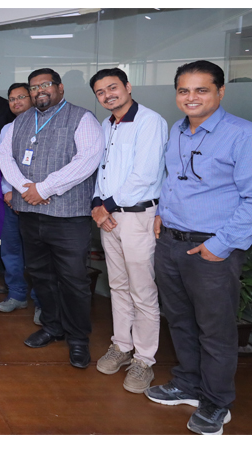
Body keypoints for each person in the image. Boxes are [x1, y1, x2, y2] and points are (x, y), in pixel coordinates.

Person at [146, 60, 252, 435]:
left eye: (201, 90)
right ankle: (188, 384)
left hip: (212, 249)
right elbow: (174, 180)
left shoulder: (242, 134)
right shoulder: (178, 130)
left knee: (215, 330)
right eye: (184, 90)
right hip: (170, 242)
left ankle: (216, 402)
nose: (191, 97)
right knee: (179, 320)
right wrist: (162, 213)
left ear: (220, 92)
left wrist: (221, 245)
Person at [0, 68, 104, 369]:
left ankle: (78, 339)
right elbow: (5, 157)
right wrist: (25, 188)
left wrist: (44, 188)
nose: (39, 91)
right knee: (40, 274)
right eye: (34, 87)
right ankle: (52, 326)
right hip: (31, 214)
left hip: (68, 217)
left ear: (59, 87)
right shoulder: (20, 121)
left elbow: (87, 160)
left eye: (45, 85)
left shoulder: (82, 118)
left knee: (73, 279)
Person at [88, 68, 168, 394]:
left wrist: (105, 206)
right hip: (109, 218)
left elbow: (144, 174)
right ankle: (121, 345)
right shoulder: (106, 125)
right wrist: (98, 204)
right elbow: (101, 171)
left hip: (137, 218)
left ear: (128, 86)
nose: (108, 95)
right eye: (100, 92)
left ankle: (144, 360)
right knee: (118, 286)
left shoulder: (150, 122)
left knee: (142, 290)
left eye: (113, 87)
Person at [0, 82, 42, 324]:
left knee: (38, 254)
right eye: (12, 99)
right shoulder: (7, 129)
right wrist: (7, 192)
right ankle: (17, 295)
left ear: (32, 98)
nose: (16, 102)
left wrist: (33, 192)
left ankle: (41, 302)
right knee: (10, 251)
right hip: (10, 200)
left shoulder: (46, 126)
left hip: (40, 200)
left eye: (21, 97)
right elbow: (2, 164)